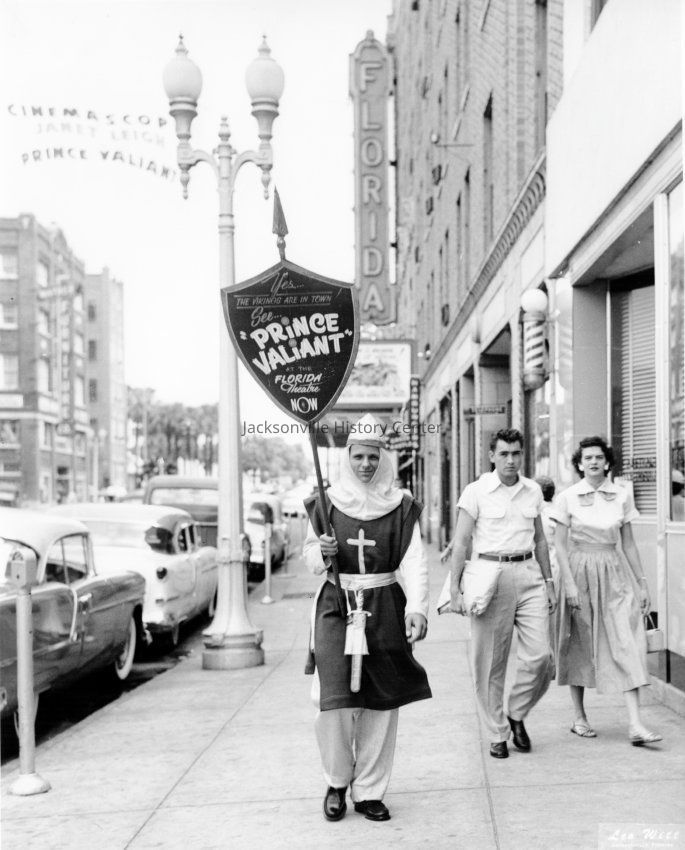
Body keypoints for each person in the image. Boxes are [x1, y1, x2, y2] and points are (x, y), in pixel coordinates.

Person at [303, 413, 431, 823]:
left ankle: (370, 791)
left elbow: (414, 560)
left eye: (373, 457)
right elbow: (310, 560)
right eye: (358, 457)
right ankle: (336, 781)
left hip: (384, 604)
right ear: (348, 458)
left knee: (382, 702)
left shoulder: (400, 505)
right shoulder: (325, 503)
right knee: (334, 701)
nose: (366, 464)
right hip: (336, 605)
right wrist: (321, 551)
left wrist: (417, 607)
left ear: (382, 459)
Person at [448, 428, 557, 759]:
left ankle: (517, 712)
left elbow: (540, 539)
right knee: (490, 663)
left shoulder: (532, 490)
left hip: (529, 574)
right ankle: (497, 732)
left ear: (522, 455)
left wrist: (549, 582)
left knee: (541, 657)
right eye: (504, 454)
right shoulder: (476, 491)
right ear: (492, 456)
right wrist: (454, 589)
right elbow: (461, 543)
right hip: (489, 577)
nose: (511, 460)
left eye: (516, 453)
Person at [552, 436, 662, 746]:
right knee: (580, 643)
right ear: (579, 463)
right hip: (580, 570)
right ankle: (579, 717)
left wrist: (642, 583)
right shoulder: (567, 497)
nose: (593, 462)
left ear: (607, 462)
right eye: (587, 458)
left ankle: (636, 724)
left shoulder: (621, 495)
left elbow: (628, 544)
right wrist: (569, 584)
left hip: (614, 571)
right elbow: (560, 545)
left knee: (629, 640)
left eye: (599, 457)